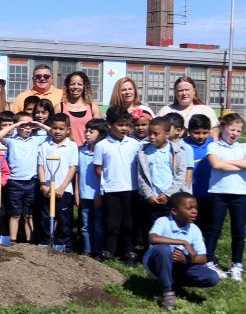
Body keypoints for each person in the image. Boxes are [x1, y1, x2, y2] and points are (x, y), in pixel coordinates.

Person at [143, 193, 219, 311]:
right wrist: (183, 242)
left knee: (212, 277)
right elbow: (152, 238)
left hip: (178, 265)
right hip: (155, 263)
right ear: (174, 211)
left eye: (196, 208)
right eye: (189, 208)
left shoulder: (194, 229)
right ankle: (168, 294)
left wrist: (186, 259)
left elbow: (203, 258)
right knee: (164, 249)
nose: (194, 211)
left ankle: (174, 284)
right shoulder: (163, 221)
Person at [205, 112, 246, 282]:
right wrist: (239, 166)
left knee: (238, 232)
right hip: (218, 193)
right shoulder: (214, 147)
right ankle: (209, 261)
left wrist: (226, 165)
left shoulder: (244, 147)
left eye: (238, 131)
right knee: (214, 230)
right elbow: (216, 164)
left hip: (239, 195)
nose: (234, 133)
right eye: (231, 129)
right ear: (223, 128)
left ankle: (236, 264)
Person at [94, 106, 142, 264]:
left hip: (131, 189)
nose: (124, 128)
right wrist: (109, 180)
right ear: (109, 125)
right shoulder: (102, 146)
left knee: (129, 223)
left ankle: (129, 252)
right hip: (111, 190)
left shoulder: (134, 144)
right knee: (112, 223)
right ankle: (109, 251)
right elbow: (98, 168)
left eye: (126, 124)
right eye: (120, 125)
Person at [0, 114, 49, 242]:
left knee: (29, 214)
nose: (27, 129)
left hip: (31, 182)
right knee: (15, 214)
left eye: (29, 126)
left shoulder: (35, 140)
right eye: (23, 126)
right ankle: (13, 241)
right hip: (14, 182)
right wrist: (15, 125)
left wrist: (38, 124)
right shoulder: (11, 140)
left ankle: (29, 242)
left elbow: (52, 132)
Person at [136, 116, 187, 237]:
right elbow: (141, 176)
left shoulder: (177, 151)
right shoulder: (144, 151)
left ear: (167, 134)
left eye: (156, 134)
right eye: (150, 133)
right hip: (152, 199)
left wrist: (167, 194)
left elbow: (180, 175)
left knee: (171, 228)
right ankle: (151, 253)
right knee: (151, 228)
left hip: (171, 198)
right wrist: (150, 195)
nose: (151, 137)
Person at [37, 114, 78, 250]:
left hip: (64, 190)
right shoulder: (44, 146)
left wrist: (63, 187)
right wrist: (43, 184)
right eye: (54, 128)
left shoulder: (71, 146)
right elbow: (41, 166)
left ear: (68, 130)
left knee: (64, 219)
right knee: (45, 217)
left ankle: (64, 244)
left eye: (61, 128)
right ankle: (45, 241)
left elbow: (72, 168)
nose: (58, 131)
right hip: (47, 189)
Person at [77, 118, 107, 256]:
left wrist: (100, 195)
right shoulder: (81, 151)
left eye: (91, 131)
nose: (87, 134)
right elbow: (78, 174)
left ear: (100, 134)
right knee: (85, 226)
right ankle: (87, 250)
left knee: (98, 226)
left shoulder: (103, 152)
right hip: (84, 195)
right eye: (86, 131)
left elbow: (104, 177)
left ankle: (98, 251)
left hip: (97, 196)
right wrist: (77, 193)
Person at [184, 114, 215, 231]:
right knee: (191, 222)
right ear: (188, 131)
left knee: (208, 223)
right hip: (191, 192)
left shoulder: (213, 144)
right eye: (196, 133)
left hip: (209, 191)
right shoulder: (183, 145)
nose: (201, 136)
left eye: (205, 133)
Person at [57, 71, 102, 147]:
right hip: (66, 150)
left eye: (79, 84)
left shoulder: (93, 108)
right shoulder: (59, 108)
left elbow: (99, 132)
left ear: (84, 87)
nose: (75, 87)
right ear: (67, 86)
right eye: (72, 84)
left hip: (87, 152)